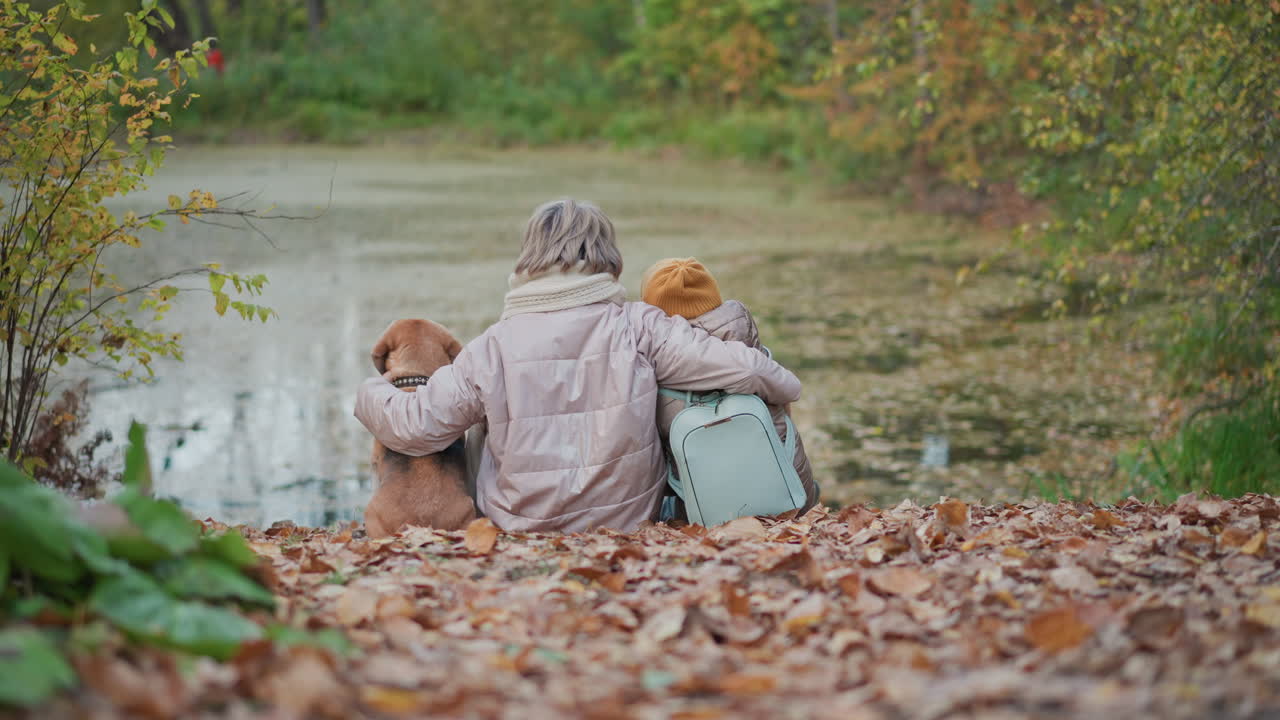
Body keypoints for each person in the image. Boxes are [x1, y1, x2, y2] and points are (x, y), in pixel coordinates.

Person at [354, 199, 801, 533]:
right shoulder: (638, 326)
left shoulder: (493, 347)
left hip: (521, 530)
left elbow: (415, 427)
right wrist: (787, 388)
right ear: (607, 255)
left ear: (530, 257)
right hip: (626, 528)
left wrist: (371, 390)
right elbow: (748, 371)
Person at [641, 258, 820, 515]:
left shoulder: (652, 358)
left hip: (703, 509)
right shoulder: (744, 340)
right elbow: (791, 391)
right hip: (790, 491)